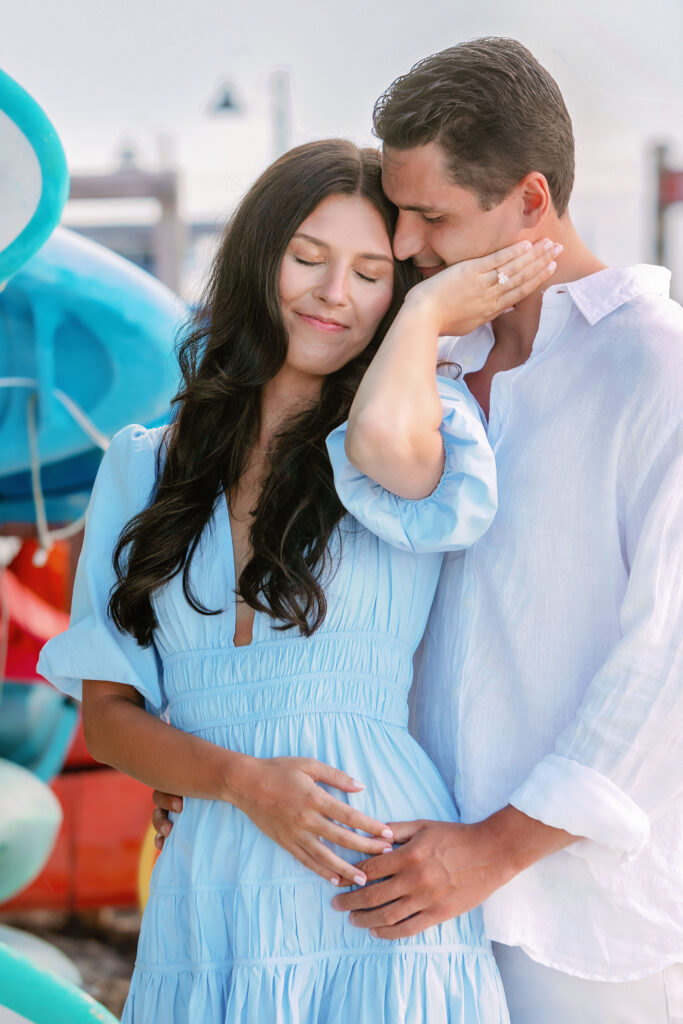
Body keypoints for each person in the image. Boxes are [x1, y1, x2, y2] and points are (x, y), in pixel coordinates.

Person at [37, 138, 557, 1023]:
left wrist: (427, 311)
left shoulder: (418, 423)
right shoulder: (142, 465)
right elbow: (111, 721)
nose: (333, 296)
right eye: (307, 259)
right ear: (256, 259)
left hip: (371, 873)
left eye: (369, 273)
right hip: (208, 884)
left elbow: (407, 461)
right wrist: (241, 781)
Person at [323, 38, 683, 1024]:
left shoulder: (655, 371)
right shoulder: (421, 367)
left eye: (429, 216)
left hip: (575, 918)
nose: (402, 246)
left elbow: (667, 663)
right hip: (402, 890)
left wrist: (493, 848)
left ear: (530, 202)